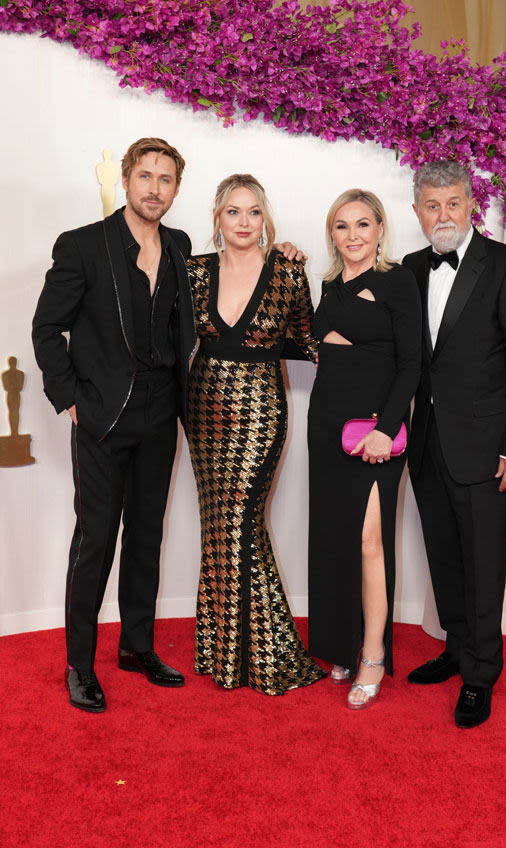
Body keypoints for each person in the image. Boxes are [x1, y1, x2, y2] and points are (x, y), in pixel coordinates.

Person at [32, 138, 196, 712]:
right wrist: (70, 399)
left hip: (161, 412)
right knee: (95, 539)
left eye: (166, 179)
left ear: (177, 187)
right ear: (126, 180)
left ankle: (136, 646)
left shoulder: (179, 245)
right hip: (103, 414)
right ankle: (81, 665)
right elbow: (47, 329)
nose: (155, 188)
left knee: (146, 535)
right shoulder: (82, 246)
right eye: (145, 176)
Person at [403, 160, 506, 728]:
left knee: (484, 563)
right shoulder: (411, 269)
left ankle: (481, 675)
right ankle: (457, 649)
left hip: (489, 447)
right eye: (432, 206)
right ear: (417, 213)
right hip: (427, 443)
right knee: (444, 554)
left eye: (453, 204)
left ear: (471, 207)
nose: (443, 216)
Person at [186, 174, 326, 695]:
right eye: (232, 212)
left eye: (253, 212)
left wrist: (371, 367)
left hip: (261, 408)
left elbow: (311, 340)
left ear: (265, 219)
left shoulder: (287, 271)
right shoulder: (194, 271)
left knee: (241, 519)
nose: (243, 222)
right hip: (202, 408)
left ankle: (266, 654)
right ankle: (225, 650)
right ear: (218, 219)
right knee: (218, 525)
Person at [308, 189, 422, 709]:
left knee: (370, 542)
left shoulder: (396, 280)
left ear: (380, 230)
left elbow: (411, 364)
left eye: (362, 225)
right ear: (332, 234)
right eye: (341, 226)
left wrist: (387, 427)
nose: (352, 236)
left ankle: (373, 654)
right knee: (336, 537)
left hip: (375, 429)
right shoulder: (329, 285)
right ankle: (344, 647)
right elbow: (318, 346)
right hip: (327, 422)